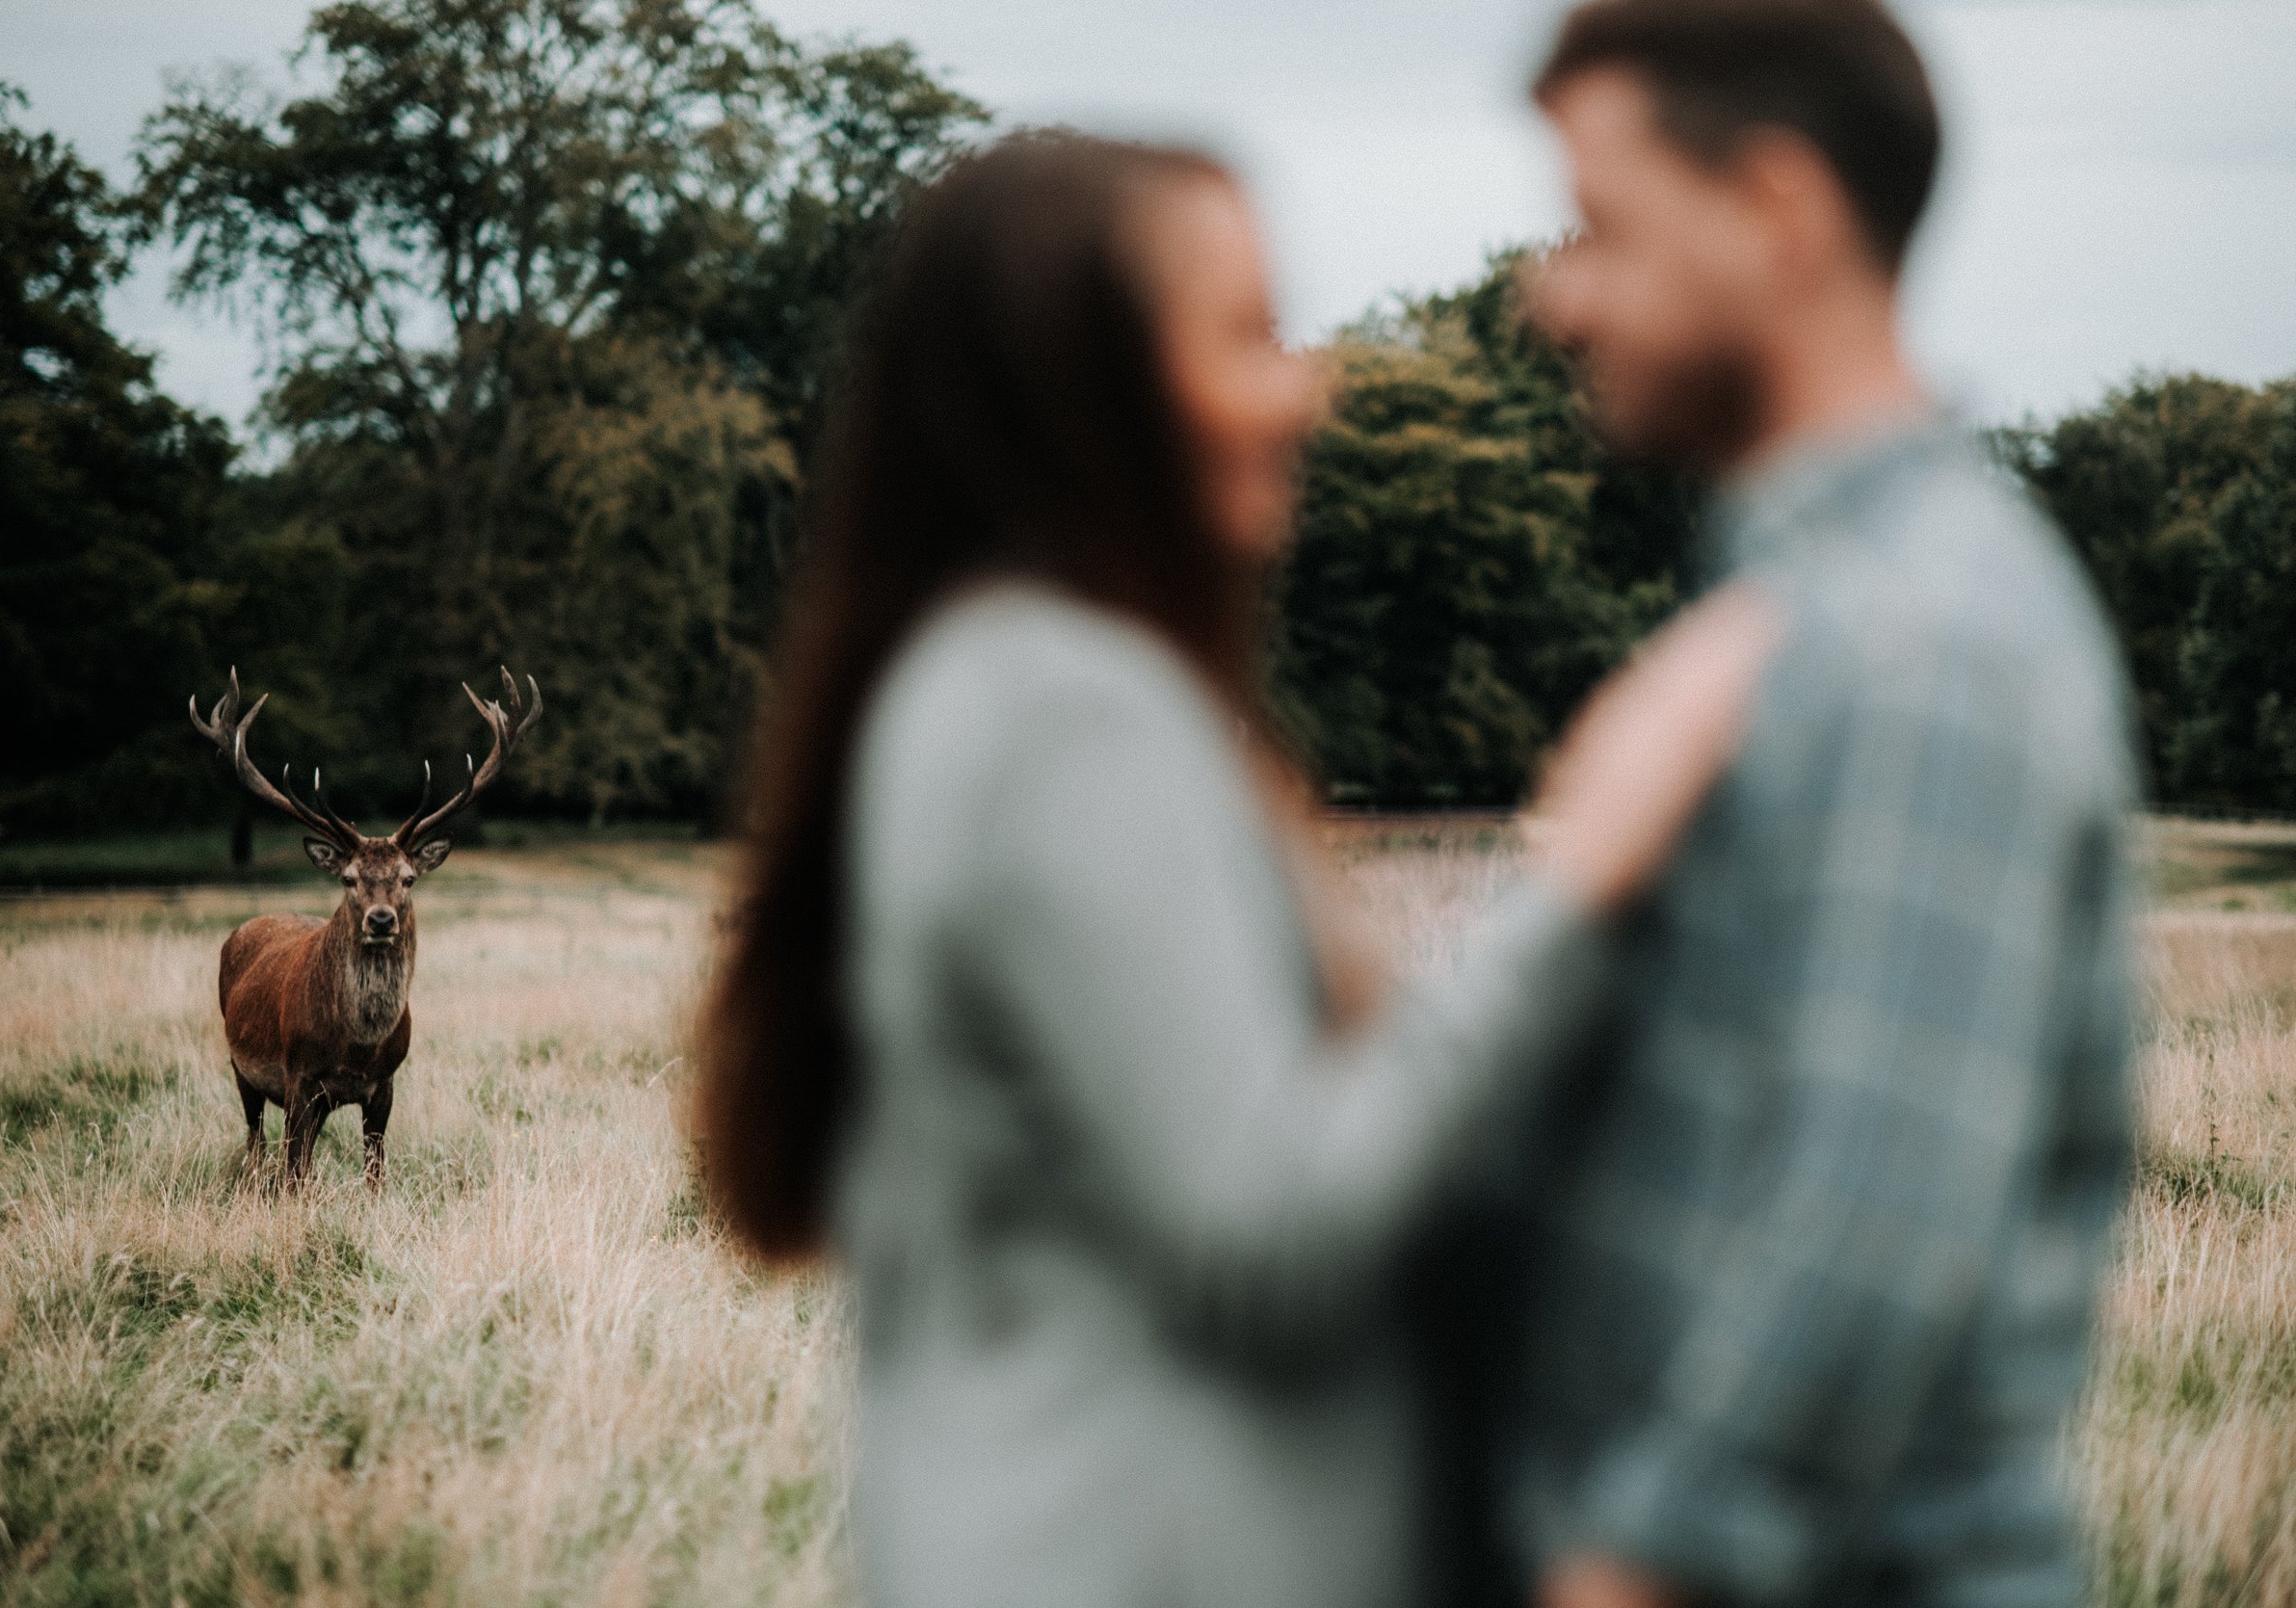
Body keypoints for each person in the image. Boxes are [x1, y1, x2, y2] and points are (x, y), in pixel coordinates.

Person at [690, 132, 1779, 1608]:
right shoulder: (1062, 709)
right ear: (1089, 395)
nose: (1309, 385)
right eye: (1250, 335)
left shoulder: (1001, 682)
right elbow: (1270, 1226)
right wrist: (1578, 884)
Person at [1446, 5, 2141, 1607]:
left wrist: (1625, 1570)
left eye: (1600, 227)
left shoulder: (1917, 639)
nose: (1553, 296)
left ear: (1777, 210)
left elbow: (1871, 1220)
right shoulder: (1819, 604)